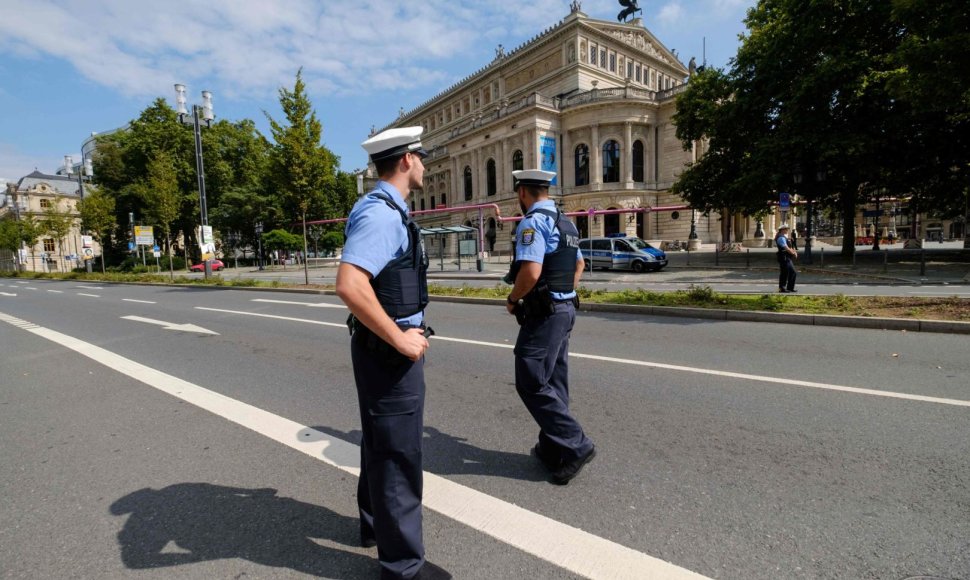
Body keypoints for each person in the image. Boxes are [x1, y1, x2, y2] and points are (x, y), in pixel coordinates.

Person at [335, 126, 450, 580]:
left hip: (377, 351)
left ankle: (373, 526)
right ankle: (402, 567)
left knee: (380, 443)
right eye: (421, 156)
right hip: (388, 353)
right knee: (399, 454)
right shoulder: (382, 215)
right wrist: (400, 338)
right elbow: (350, 284)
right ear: (405, 160)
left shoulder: (384, 209)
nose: (424, 164)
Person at [504, 169, 596, 485]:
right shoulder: (565, 221)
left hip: (546, 314)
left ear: (522, 193)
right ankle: (552, 447)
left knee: (530, 379)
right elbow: (579, 263)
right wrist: (563, 293)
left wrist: (514, 298)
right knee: (554, 380)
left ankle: (576, 445)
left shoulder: (533, 222)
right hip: (566, 308)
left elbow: (530, 271)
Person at [775, 223, 798, 293]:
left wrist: (794, 251)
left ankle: (789, 288)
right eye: (786, 229)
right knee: (785, 273)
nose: (787, 230)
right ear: (782, 230)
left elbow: (789, 247)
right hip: (784, 257)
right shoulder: (781, 237)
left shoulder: (783, 237)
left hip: (786, 257)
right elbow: (786, 248)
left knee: (792, 272)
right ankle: (782, 288)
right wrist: (793, 253)